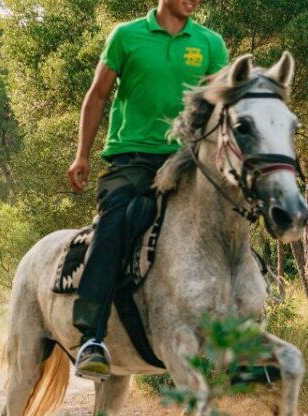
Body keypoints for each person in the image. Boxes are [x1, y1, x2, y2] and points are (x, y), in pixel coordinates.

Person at [67, 0, 229, 380]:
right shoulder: (126, 36)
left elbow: (220, 104)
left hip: (189, 158)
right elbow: (97, 95)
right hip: (132, 157)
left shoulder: (209, 43)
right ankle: (92, 336)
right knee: (116, 223)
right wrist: (82, 156)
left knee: (229, 216)